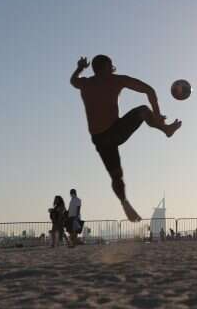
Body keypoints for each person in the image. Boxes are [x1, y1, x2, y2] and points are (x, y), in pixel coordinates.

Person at [71, 55, 181, 222]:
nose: (111, 70)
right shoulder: (115, 80)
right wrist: (157, 115)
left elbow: (73, 81)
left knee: (116, 176)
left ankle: (124, 202)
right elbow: (149, 90)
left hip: (102, 137)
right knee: (116, 175)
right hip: (112, 133)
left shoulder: (86, 83)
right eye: (110, 67)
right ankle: (124, 202)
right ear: (105, 68)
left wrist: (79, 69)